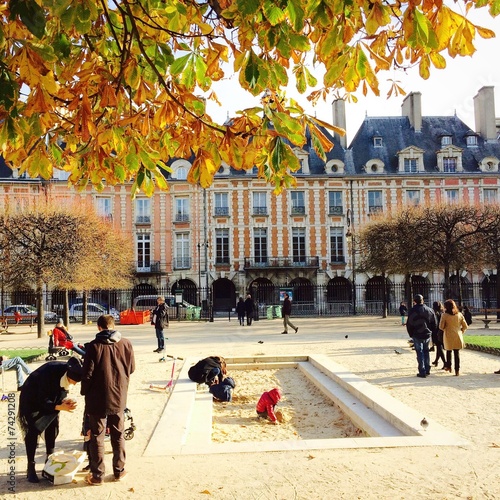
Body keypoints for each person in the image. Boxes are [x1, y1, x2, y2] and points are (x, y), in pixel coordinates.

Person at [81, 315, 135, 486]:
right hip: (119, 395)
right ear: (113, 325)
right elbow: (132, 367)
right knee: (118, 433)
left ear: (99, 328)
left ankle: (98, 475)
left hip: (97, 396)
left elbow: (87, 374)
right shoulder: (125, 343)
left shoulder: (93, 346)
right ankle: (119, 470)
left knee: (97, 435)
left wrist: (85, 391)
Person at [17, 357, 84, 483]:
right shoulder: (49, 372)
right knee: (33, 430)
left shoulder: (69, 372)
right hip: (32, 399)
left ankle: (49, 462)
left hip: (49, 398)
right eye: (73, 381)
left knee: (52, 425)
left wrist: (65, 402)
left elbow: (61, 392)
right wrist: (59, 406)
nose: (74, 384)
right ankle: (30, 467)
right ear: (68, 375)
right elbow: (42, 398)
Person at [406, 294, 437, 378]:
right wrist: (431, 332)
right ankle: (427, 369)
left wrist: (411, 334)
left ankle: (422, 370)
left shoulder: (412, 311)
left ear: (414, 301)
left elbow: (409, 324)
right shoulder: (430, 310)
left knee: (419, 352)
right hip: (427, 333)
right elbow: (434, 323)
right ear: (423, 300)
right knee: (426, 351)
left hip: (417, 334)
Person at [439, 299, 468, 376]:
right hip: (458, 335)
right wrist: (461, 331)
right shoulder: (459, 314)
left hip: (448, 335)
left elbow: (441, 327)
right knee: (456, 353)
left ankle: (449, 366)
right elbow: (465, 326)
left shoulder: (444, 315)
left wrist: (446, 327)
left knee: (448, 351)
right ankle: (457, 370)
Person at [431, 301, 446, 369]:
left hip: (436, 331)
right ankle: (436, 360)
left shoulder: (434, 313)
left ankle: (445, 362)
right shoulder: (442, 312)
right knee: (438, 346)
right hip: (442, 331)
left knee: (439, 347)